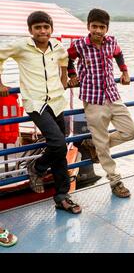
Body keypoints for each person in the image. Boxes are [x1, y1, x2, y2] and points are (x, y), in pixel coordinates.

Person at [0, 11, 81, 214]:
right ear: (30, 30)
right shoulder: (21, 47)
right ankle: (36, 168)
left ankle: (62, 196)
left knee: (60, 149)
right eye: (38, 27)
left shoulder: (57, 46)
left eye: (46, 27)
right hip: (36, 103)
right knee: (58, 143)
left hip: (56, 101)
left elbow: (65, 60)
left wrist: (65, 77)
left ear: (51, 29)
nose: (42, 31)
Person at [67, 8, 134, 198]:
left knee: (131, 131)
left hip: (113, 96)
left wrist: (124, 71)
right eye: (94, 26)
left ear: (107, 28)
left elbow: (119, 54)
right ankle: (115, 181)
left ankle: (96, 145)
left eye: (102, 27)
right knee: (102, 146)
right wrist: (72, 75)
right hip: (92, 99)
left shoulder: (112, 41)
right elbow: (67, 58)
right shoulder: (79, 45)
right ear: (88, 26)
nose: (98, 30)